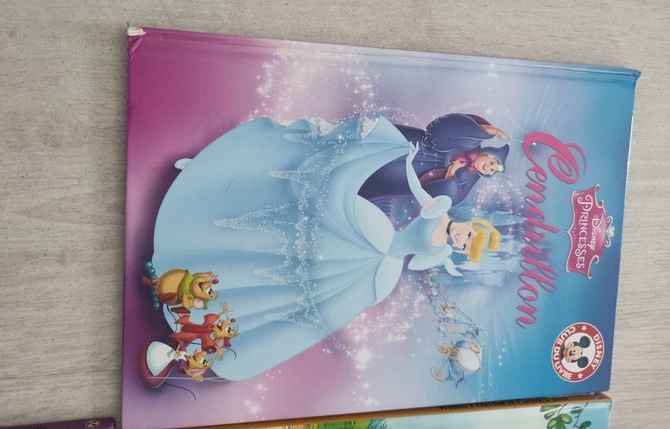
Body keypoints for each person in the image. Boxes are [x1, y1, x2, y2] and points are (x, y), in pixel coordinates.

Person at [150, 115, 499, 381]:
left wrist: (445, 265)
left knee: (304, 292)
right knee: (297, 227)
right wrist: (409, 162)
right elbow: (419, 189)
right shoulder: (441, 207)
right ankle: (215, 200)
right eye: (471, 236)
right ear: (473, 225)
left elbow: (418, 263)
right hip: (372, 235)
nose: (463, 241)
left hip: (378, 270)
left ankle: (213, 319)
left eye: (467, 246)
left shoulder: (439, 249)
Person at [358, 113, 509, 222]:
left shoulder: (469, 178)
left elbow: (450, 198)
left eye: (492, 170)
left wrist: (451, 173)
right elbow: (446, 127)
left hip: (410, 175)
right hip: (416, 146)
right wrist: (492, 131)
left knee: (378, 178)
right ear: (489, 154)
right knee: (375, 143)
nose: (488, 167)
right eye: (492, 163)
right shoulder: (471, 141)